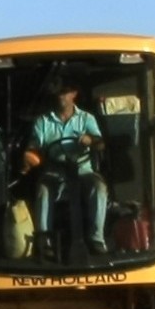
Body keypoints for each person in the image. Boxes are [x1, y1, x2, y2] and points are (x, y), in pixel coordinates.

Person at [20, 83, 106, 263]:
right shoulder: (43, 121)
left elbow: (100, 143)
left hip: (83, 170)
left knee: (99, 188)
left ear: (74, 94)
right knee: (43, 190)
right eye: (58, 93)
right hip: (54, 171)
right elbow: (34, 146)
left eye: (64, 92)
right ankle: (45, 243)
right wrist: (29, 156)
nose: (60, 96)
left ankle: (96, 239)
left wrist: (90, 140)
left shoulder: (86, 118)